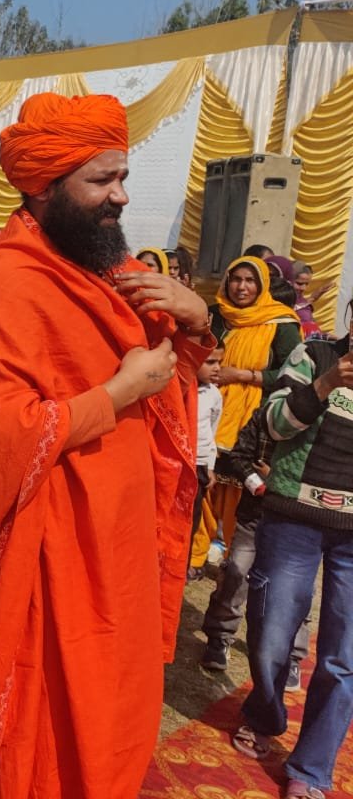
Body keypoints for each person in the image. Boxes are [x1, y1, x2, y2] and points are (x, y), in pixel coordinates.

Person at [0, 92, 214, 797]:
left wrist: (198, 321)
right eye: (102, 180)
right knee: (44, 708)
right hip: (50, 536)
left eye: (122, 177)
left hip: (119, 533)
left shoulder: (112, 269)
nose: (121, 196)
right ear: (45, 187)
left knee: (114, 698)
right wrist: (117, 393)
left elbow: (166, 376)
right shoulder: (6, 278)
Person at [232, 309, 353, 799]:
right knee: (272, 636)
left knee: (344, 656)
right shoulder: (314, 354)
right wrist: (325, 384)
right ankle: (265, 714)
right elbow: (274, 424)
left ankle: (311, 767)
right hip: (293, 519)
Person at [196, 257, 302, 567]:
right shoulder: (213, 315)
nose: (241, 287)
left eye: (250, 280)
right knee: (202, 483)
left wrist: (243, 375)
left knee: (239, 491)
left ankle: (234, 563)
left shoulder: (281, 324)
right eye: (236, 279)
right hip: (206, 411)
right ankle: (196, 556)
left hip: (252, 420)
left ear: (262, 285)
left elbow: (292, 374)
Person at [200, 406, 310, 684]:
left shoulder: (322, 423)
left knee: (295, 589)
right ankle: (219, 638)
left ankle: (291, 656)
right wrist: (260, 485)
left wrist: (277, 479)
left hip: (297, 523)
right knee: (236, 574)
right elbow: (239, 456)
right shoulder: (266, 415)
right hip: (254, 515)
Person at [188, 346, 224, 580]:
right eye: (210, 362)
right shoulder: (180, 389)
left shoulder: (214, 395)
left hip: (199, 465)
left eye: (219, 362)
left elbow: (212, 431)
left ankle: (183, 567)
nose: (217, 368)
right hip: (180, 461)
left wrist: (209, 467)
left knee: (192, 519)